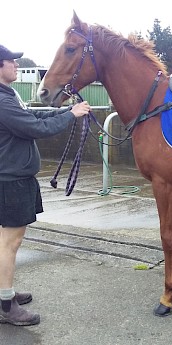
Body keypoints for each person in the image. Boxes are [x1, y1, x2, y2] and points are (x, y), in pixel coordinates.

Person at [0, 44, 91, 326]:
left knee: (7, 241)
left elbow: (34, 117)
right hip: (11, 180)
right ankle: (5, 306)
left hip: (13, 177)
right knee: (9, 242)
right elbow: (36, 129)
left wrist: (66, 111)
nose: (16, 65)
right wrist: (70, 116)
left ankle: (6, 293)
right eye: (10, 62)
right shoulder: (2, 101)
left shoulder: (7, 96)